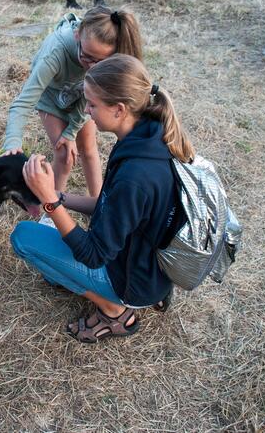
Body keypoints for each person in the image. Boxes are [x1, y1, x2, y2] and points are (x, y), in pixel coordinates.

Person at [10, 54, 195, 343]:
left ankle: (114, 310)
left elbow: (93, 254)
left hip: (134, 282)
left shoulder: (136, 175)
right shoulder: (148, 137)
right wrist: (61, 197)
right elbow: (112, 207)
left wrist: (49, 201)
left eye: (93, 104)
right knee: (50, 245)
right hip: (151, 267)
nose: (86, 110)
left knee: (23, 237)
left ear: (119, 109)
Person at [3, 7, 143, 225]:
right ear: (77, 35)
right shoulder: (56, 53)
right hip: (52, 96)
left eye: (99, 62)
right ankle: (50, 214)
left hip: (84, 99)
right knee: (64, 155)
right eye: (86, 57)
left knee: (88, 149)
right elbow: (24, 101)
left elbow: (90, 97)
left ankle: (99, 206)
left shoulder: (100, 59)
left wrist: (72, 130)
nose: (91, 66)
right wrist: (13, 141)